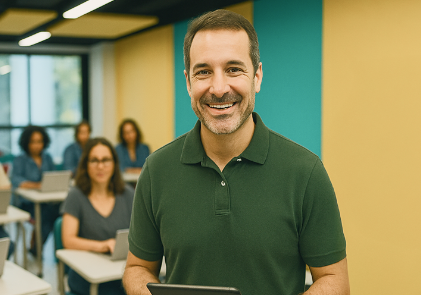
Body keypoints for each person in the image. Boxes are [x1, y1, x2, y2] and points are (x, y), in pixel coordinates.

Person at [123, 10, 349, 295]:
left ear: (256, 77)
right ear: (188, 82)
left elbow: (334, 279)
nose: (218, 88)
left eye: (233, 69)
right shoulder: (156, 170)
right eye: (203, 71)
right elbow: (137, 268)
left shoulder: (306, 171)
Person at [61, 137, 133, 295]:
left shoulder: (127, 194)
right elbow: (68, 240)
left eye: (106, 160)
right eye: (94, 160)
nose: (100, 166)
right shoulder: (76, 196)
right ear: (86, 165)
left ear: (114, 163)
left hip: (122, 270)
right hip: (88, 276)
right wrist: (103, 246)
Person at [10, 125, 59, 255]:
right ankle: (36, 248)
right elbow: (16, 181)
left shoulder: (47, 158)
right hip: (26, 204)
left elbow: (53, 177)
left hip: (46, 201)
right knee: (47, 214)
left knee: (58, 211)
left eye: (39, 141)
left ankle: (40, 246)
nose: (37, 145)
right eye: (33, 142)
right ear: (26, 142)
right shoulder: (20, 159)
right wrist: (37, 185)